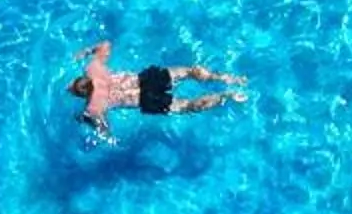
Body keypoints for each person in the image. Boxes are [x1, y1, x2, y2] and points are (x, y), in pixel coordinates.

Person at [68, 39, 246, 142]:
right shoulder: (94, 68)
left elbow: (105, 131)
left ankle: (227, 96)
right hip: (147, 79)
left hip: (146, 100)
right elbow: (105, 44)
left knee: (190, 105)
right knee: (191, 72)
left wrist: (85, 120)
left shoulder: (94, 106)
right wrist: (86, 51)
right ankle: (226, 78)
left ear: (82, 95)